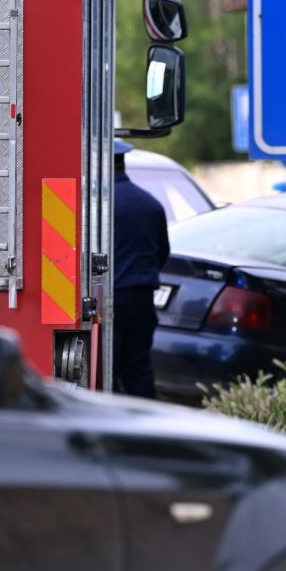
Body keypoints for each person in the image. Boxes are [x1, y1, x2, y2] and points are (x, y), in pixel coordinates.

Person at [112, 138, 169, 398]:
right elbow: (162, 252)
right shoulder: (150, 204)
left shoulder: (97, 206)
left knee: (107, 369)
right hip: (143, 298)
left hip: (112, 299)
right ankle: (147, 429)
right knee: (138, 369)